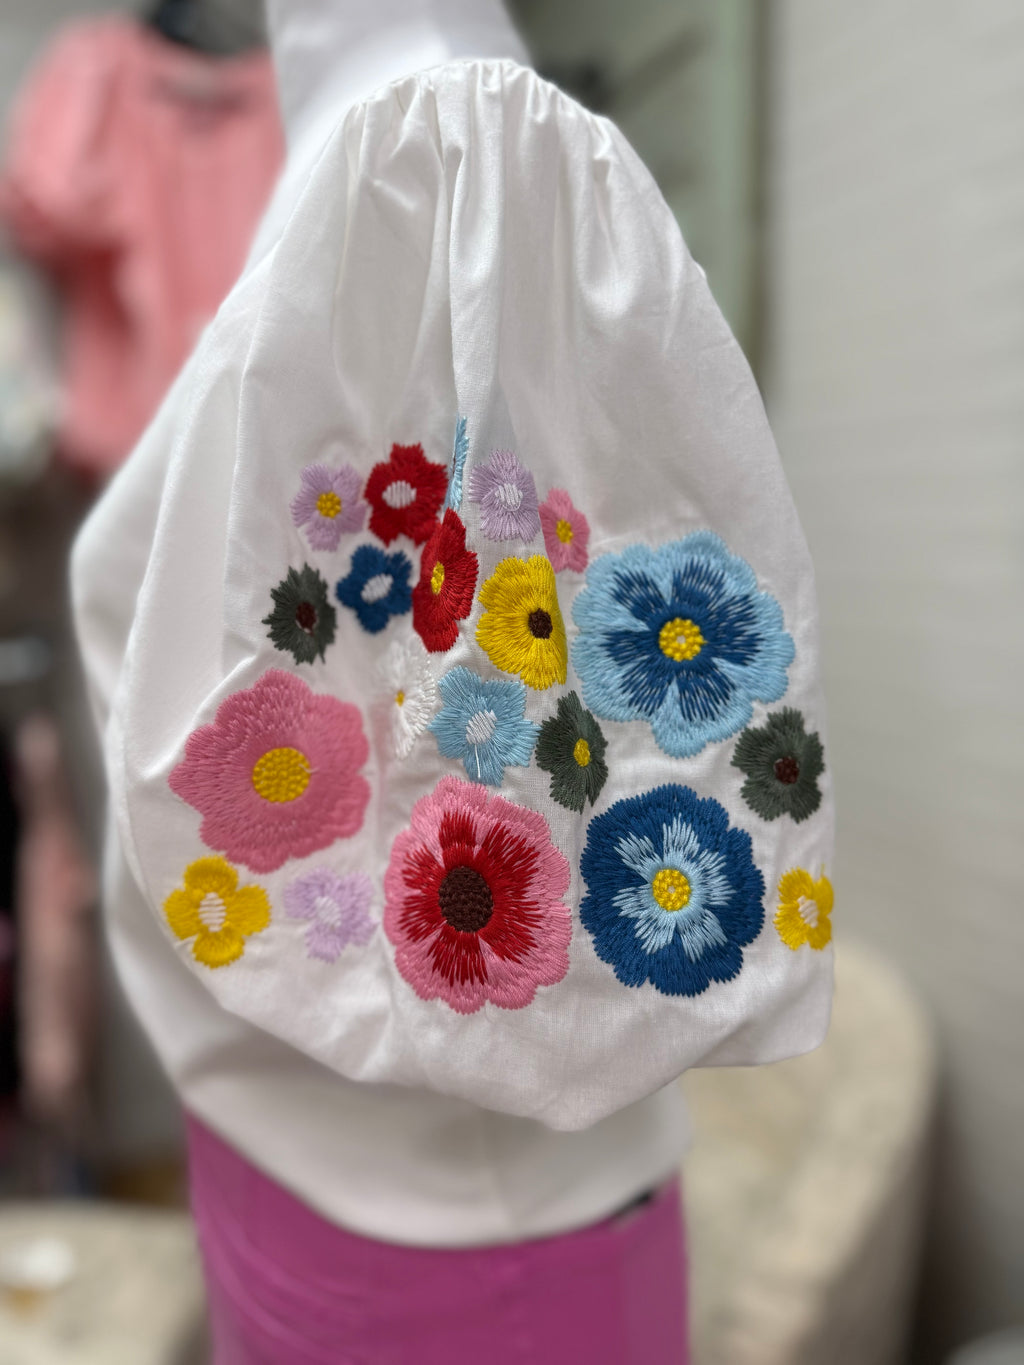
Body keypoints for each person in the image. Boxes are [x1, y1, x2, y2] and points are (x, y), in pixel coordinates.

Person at [71, 1, 835, 1360]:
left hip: (458, 1244)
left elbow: (532, 774)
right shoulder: (366, 157)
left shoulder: (450, 159)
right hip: (304, 1176)